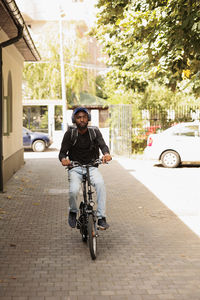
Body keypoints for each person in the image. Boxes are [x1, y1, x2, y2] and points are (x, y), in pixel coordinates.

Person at [59, 107, 112, 230]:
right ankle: (73, 211)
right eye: (78, 117)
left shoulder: (94, 132)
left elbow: (103, 146)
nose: (82, 119)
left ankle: (101, 218)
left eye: (84, 117)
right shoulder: (70, 134)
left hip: (92, 167)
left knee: (100, 185)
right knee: (73, 190)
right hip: (75, 168)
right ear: (74, 120)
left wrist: (106, 154)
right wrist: (64, 160)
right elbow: (62, 153)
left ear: (88, 119)